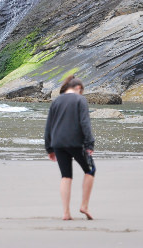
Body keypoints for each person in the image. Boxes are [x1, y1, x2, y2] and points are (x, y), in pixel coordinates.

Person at [44, 75, 96, 220]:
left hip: (58, 143)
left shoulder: (56, 101)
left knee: (66, 176)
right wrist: (89, 144)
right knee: (90, 170)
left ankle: (66, 213)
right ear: (78, 88)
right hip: (76, 143)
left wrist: (49, 148)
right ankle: (84, 206)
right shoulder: (80, 100)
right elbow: (85, 123)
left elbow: (48, 126)